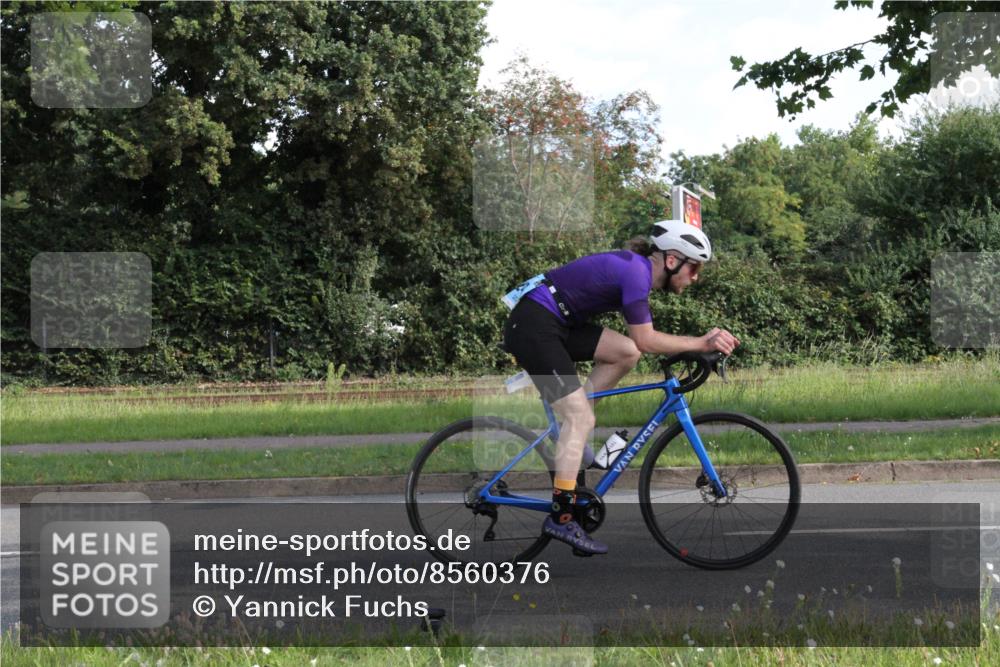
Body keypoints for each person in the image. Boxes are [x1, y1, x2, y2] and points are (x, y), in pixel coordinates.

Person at [501, 220, 740, 555]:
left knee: (626, 352)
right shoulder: (635, 273)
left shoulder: (637, 271)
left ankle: (573, 434)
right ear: (672, 260)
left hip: (557, 321)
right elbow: (648, 337)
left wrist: (696, 346)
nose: (696, 277)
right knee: (582, 417)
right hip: (534, 325)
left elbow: (640, 344)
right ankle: (561, 516)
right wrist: (701, 343)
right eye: (695, 267)